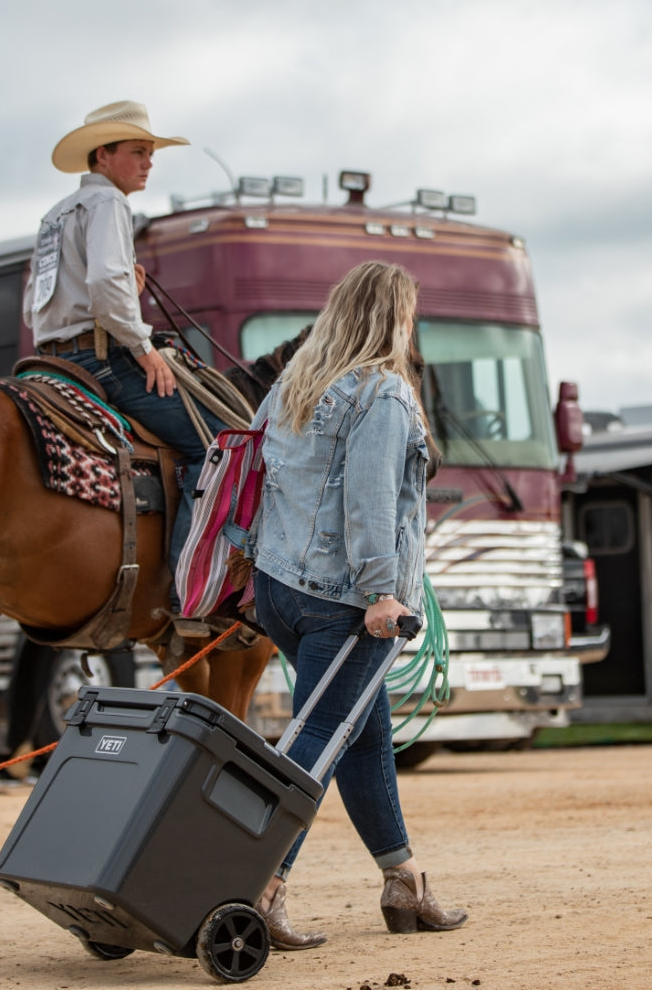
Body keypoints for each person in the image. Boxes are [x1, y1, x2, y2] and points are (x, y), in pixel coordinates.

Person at [247, 260, 467, 949]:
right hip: (344, 601)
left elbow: (258, 475)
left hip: (279, 588)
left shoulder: (292, 383)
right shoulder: (385, 393)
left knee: (362, 732)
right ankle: (261, 885)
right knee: (318, 736)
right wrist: (380, 593)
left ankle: (404, 882)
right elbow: (369, 500)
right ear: (395, 318)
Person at [23, 100, 228, 619]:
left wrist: (121, 300)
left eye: (150, 153)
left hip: (51, 362)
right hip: (102, 362)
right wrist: (143, 346)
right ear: (103, 155)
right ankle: (189, 587)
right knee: (219, 444)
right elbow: (102, 284)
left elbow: (36, 306)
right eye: (138, 151)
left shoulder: (55, 215)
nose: (148, 163)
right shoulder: (109, 203)